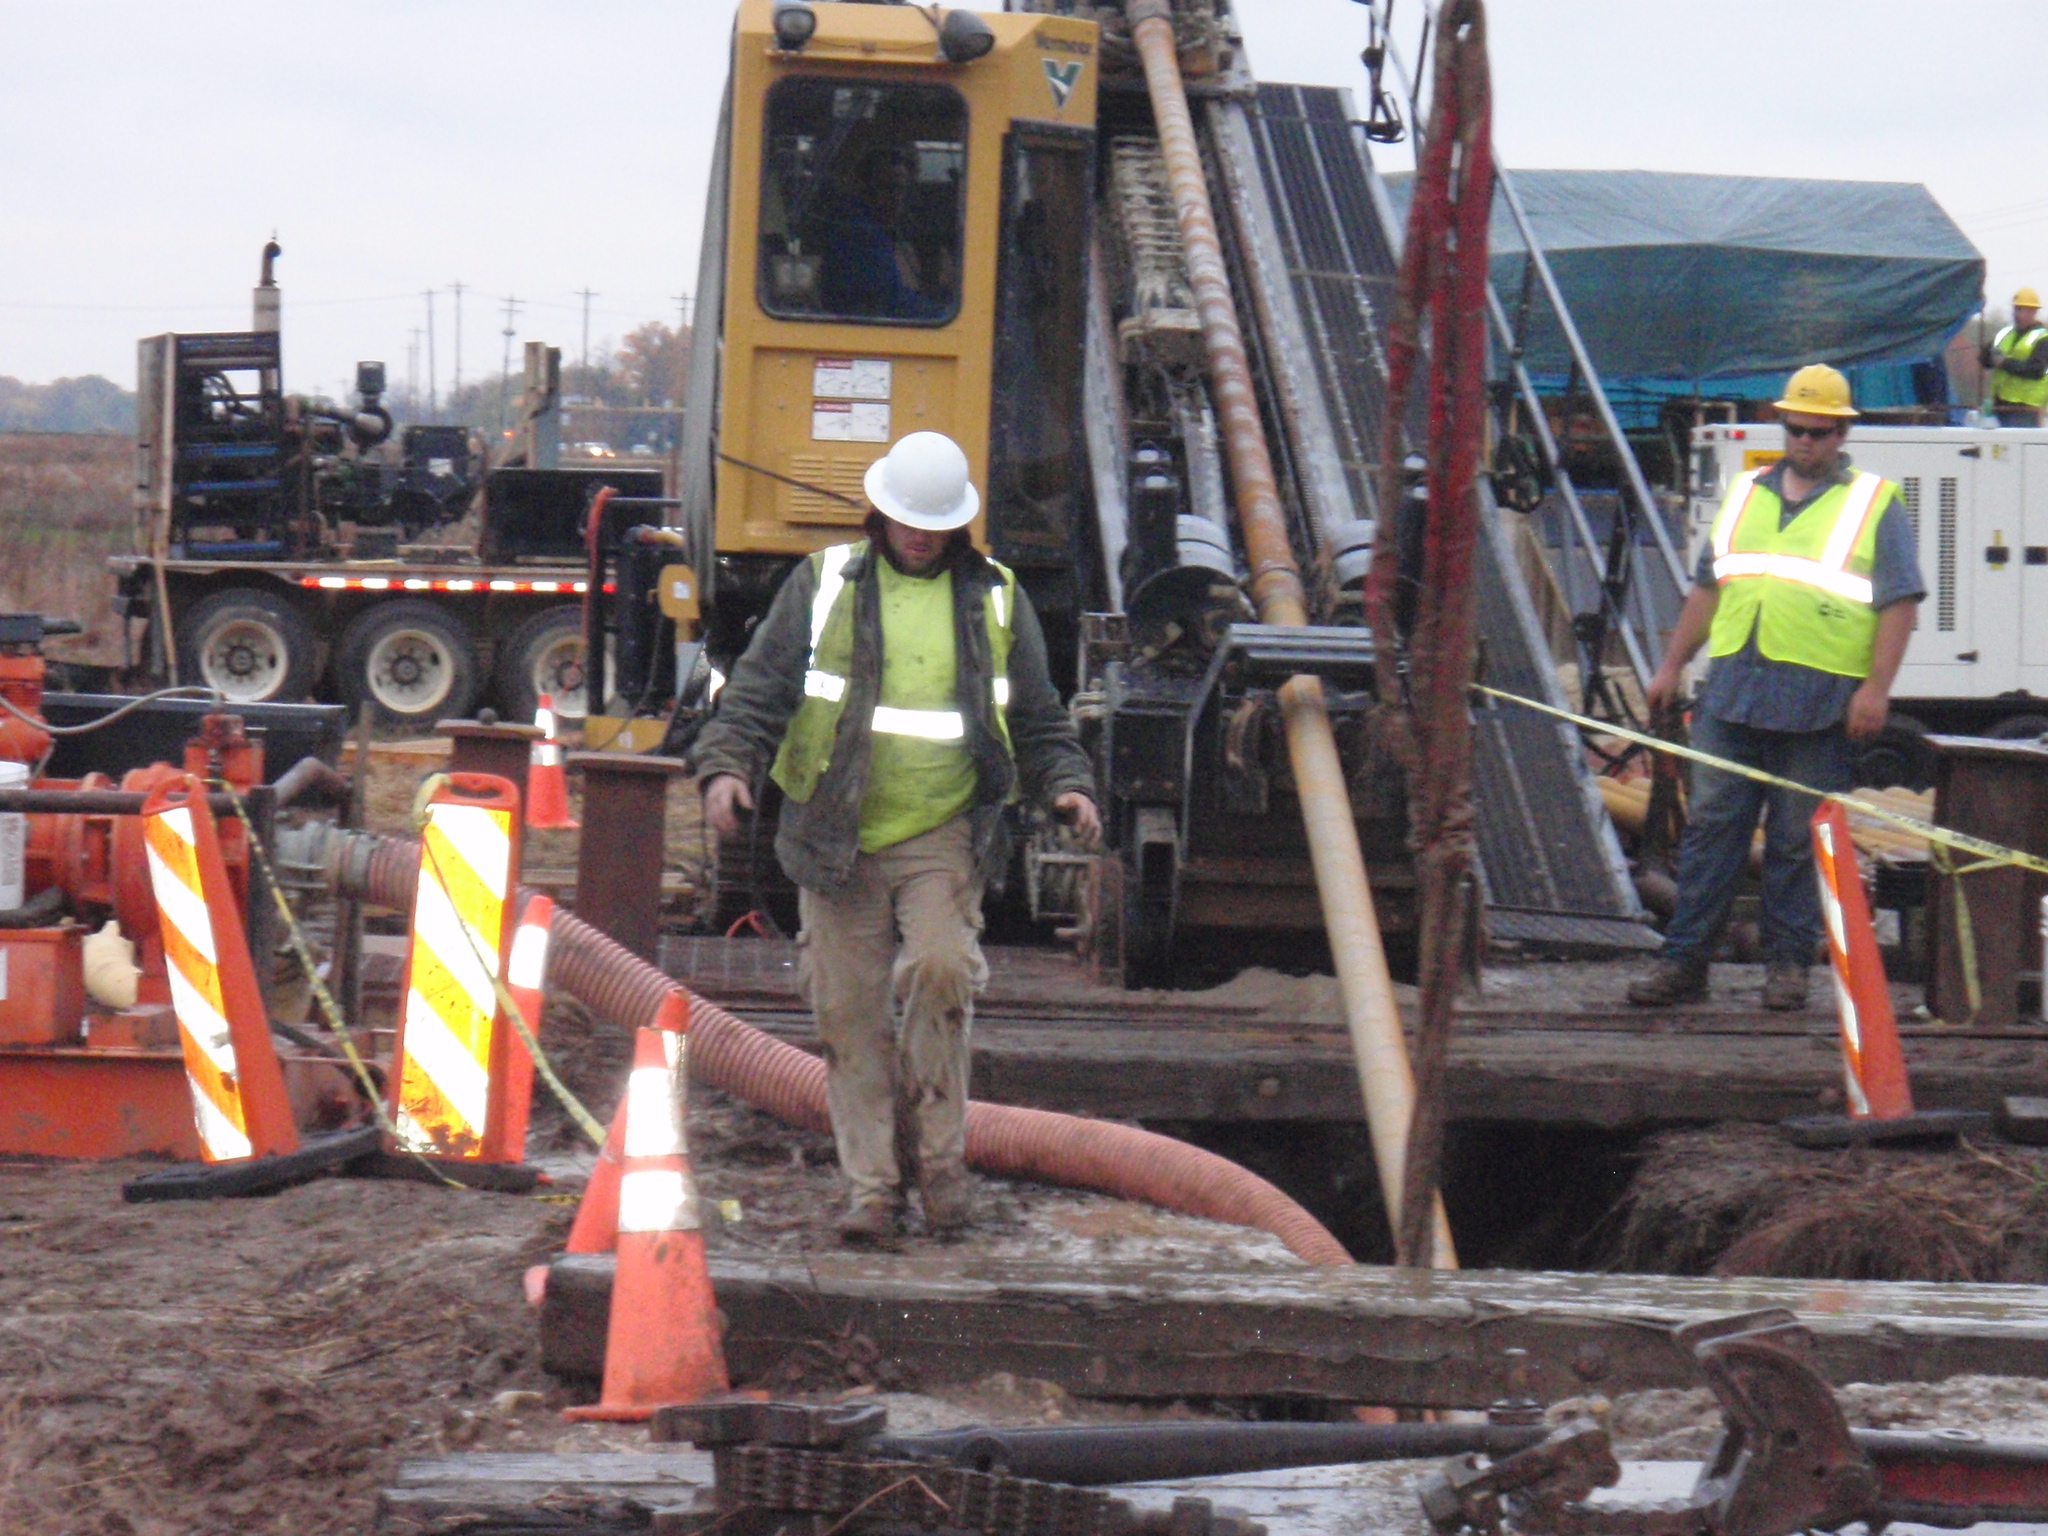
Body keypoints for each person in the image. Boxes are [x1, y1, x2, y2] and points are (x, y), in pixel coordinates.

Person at [689, 431, 1100, 1246]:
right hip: (836, 833)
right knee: (850, 1017)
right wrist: (726, 767)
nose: (919, 534)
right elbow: (759, 691)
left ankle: (942, 1172)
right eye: (907, 518)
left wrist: (1069, 783)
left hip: (942, 829)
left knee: (943, 973)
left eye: (933, 522)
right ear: (879, 512)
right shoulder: (825, 585)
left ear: (957, 525)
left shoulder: (996, 598)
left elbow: (1041, 716)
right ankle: (873, 1191)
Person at [1628, 365, 1925, 1012]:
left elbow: (1900, 604)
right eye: (1796, 430)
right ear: (1782, 424)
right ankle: (1685, 963)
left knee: (1797, 840)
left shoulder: (1874, 504)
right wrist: (1671, 665)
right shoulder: (1745, 495)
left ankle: (1787, 966)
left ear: (1842, 433)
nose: (1806, 443)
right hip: (1734, 695)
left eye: (1819, 433)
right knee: (1711, 834)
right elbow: (1709, 589)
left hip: (1819, 704)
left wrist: (1876, 689)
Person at [1982, 287, 2048, 427]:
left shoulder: (2043, 339)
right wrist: (1989, 354)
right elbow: (1984, 361)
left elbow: (2035, 370)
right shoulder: (2005, 334)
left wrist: (2004, 362)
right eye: (2017, 309)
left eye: (2023, 310)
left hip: (2026, 408)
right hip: (2000, 405)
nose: (2018, 314)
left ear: (2033, 312)